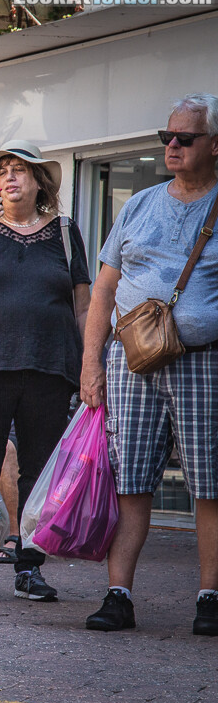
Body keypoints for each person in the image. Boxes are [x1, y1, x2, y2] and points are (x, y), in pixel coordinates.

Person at [80, 94, 218, 636]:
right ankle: (118, 595)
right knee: (130, 480)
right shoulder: (138, 205)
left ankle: (209, 596)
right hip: (130, 361)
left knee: (209, 483)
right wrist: (91, 364)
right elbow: (102, 291)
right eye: (167, 138)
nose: (173, 146)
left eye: (185, 138)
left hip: (202, 360)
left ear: (215, 145)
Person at [0, 139, 91, 604]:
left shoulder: (65, 232)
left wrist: (89, 362)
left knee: (38, 469)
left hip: (50, 365)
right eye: (3, 170)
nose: (10, 176)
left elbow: (83, 306)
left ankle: (29, 566)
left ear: (39, 182)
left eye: (20, 169)